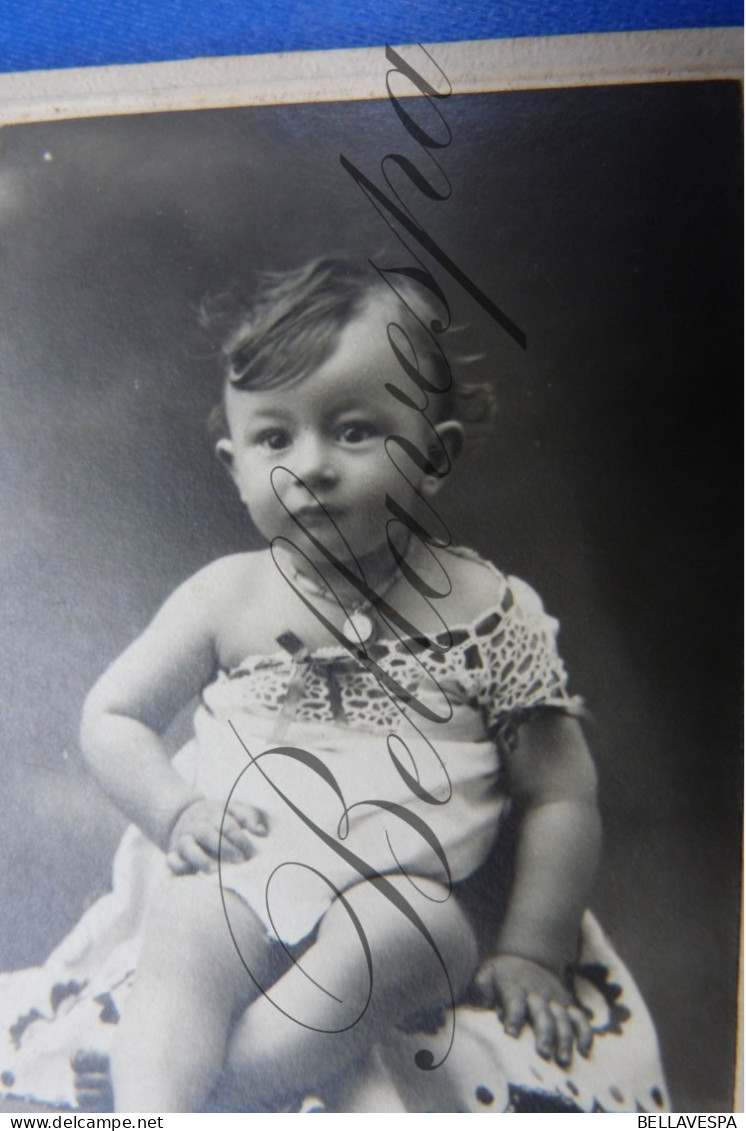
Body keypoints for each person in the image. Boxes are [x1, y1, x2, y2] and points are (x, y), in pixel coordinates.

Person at [0, 260, 669, 1114]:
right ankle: (156, 1101)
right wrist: (176, 810)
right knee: (188, 932)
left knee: (413, 935)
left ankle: (233, 1083)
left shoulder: (490, 611)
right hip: (244, 869)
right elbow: (113, 714)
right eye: (275, 439)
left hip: (406, 892)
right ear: (234, 462)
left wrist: (533, 949)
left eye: (354, 432)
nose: (309, 465)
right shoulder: (225, 595)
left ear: (436, 453)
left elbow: (559, 794)